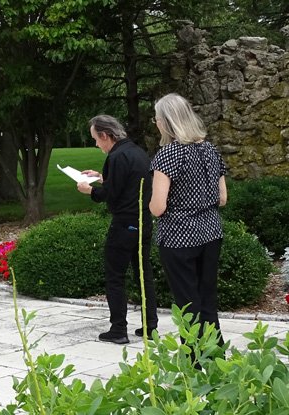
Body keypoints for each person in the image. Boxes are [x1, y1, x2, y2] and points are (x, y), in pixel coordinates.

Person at [150, 93, 227, 348]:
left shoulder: (168, 154)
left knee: (187, 305)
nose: (156, 122)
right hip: (211, 233)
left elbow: (158, 207)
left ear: (166, 121)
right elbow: (222, 198)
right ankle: (217, 364)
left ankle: (192, 367)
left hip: (179, 238)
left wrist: (151, 204)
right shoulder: (210, 149)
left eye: (157, 118)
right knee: (207, 301)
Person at [77, 115, 159, 344]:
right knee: (144, 273)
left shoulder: (115, 156)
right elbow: (126, 183)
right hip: (143, 221)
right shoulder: (136, 151)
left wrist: (89, 191)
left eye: (96, 139)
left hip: (124, 223)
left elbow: (110, 193)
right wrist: (102, 176)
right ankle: (150, 326)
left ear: (105, 135)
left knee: (115, 276)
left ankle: (118, 329)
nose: (96, 144)